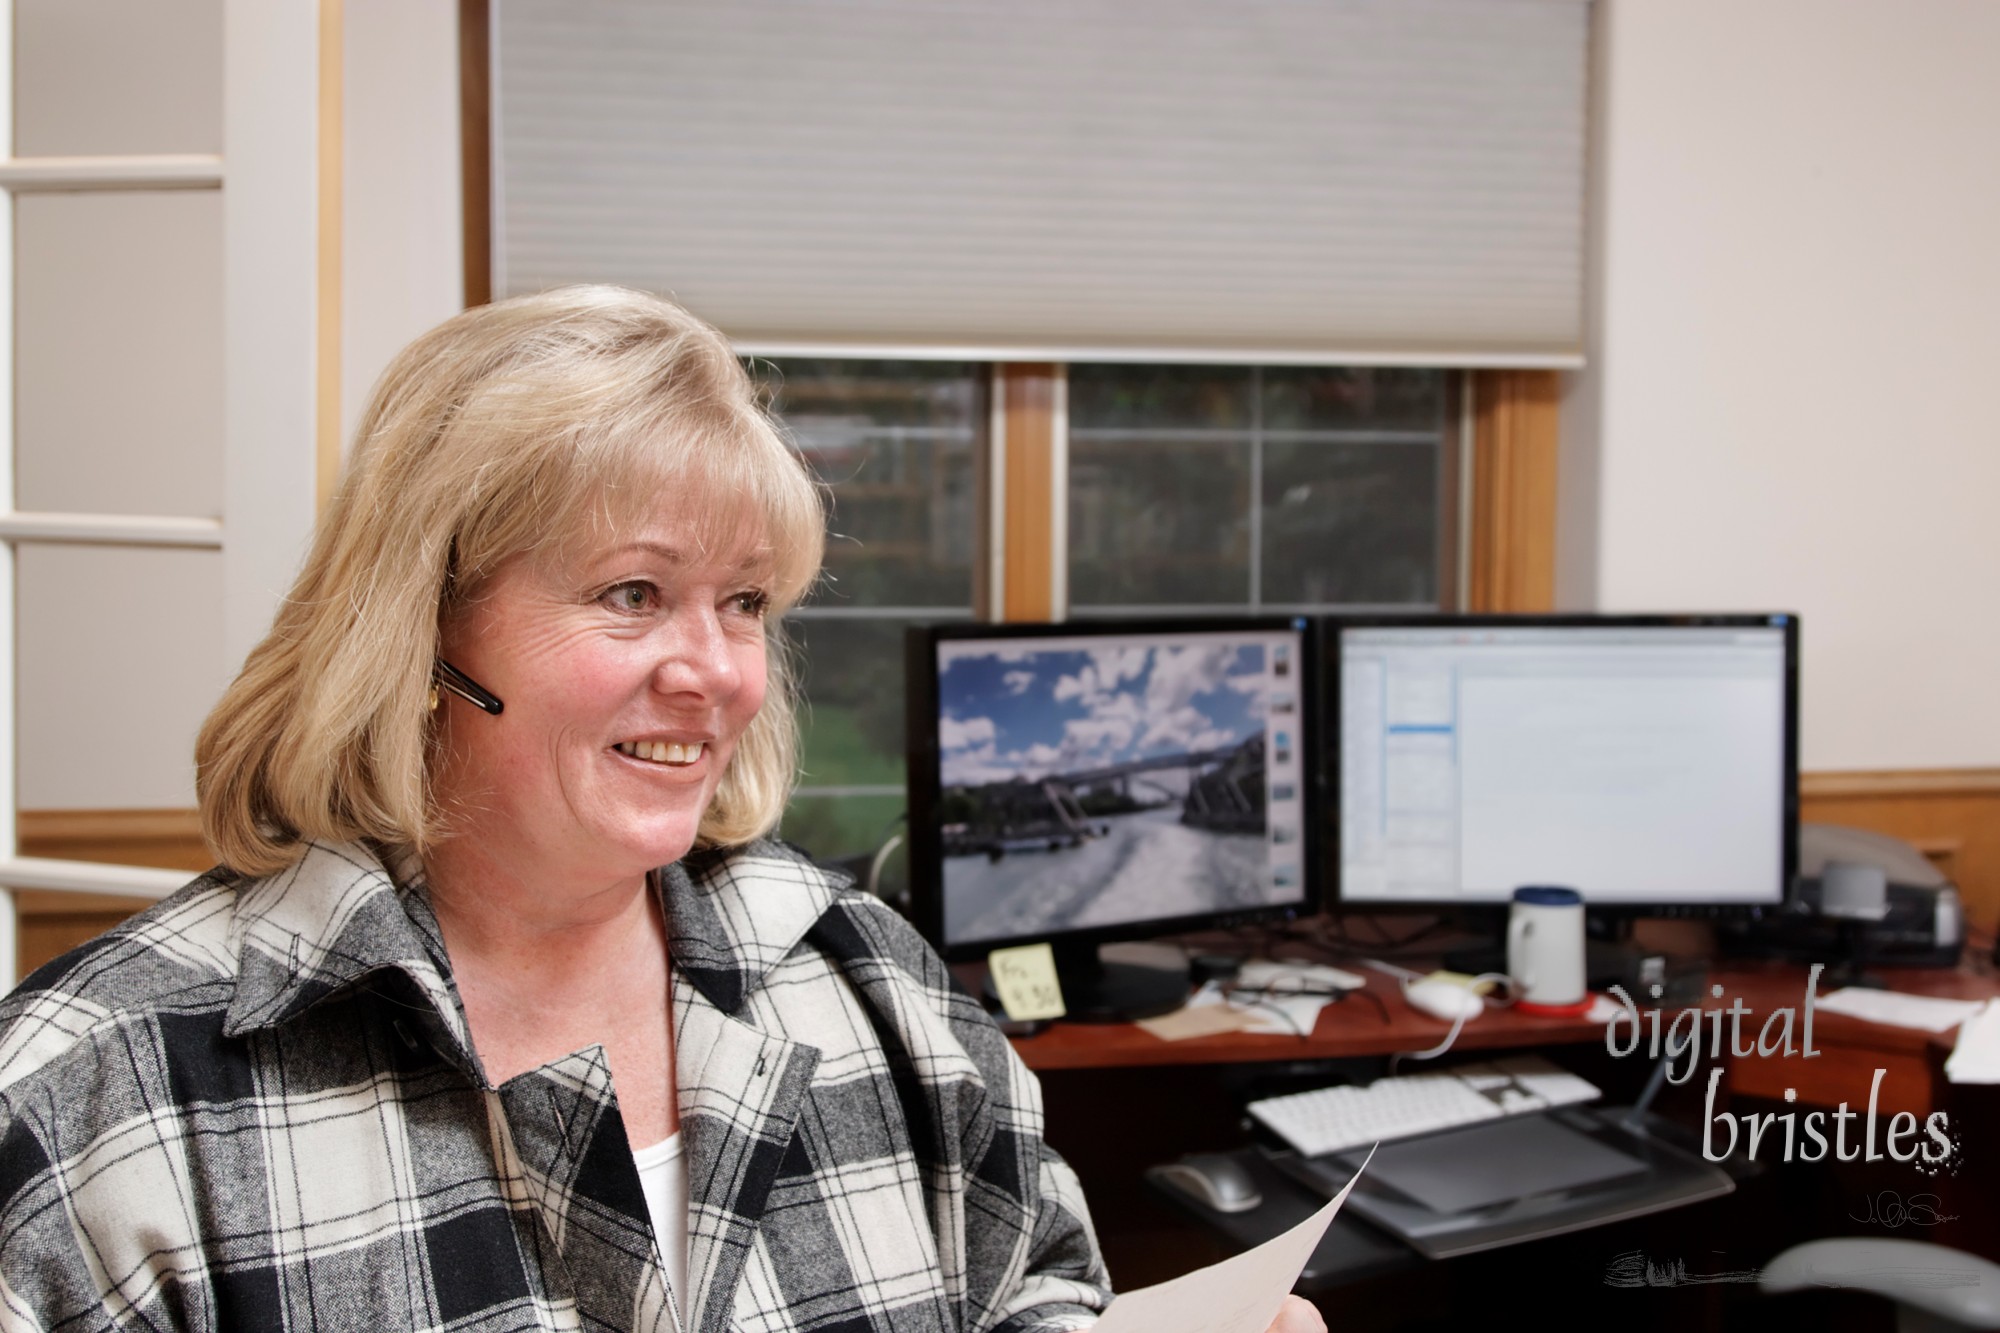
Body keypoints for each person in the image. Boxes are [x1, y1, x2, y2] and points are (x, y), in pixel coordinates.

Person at [0, 287, 1324, 1333]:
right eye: (633, 592)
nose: (718, 671)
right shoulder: (98, 1100)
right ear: (420, 624)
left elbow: (1033, 1289)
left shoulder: (865, 977)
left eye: (745, 601)